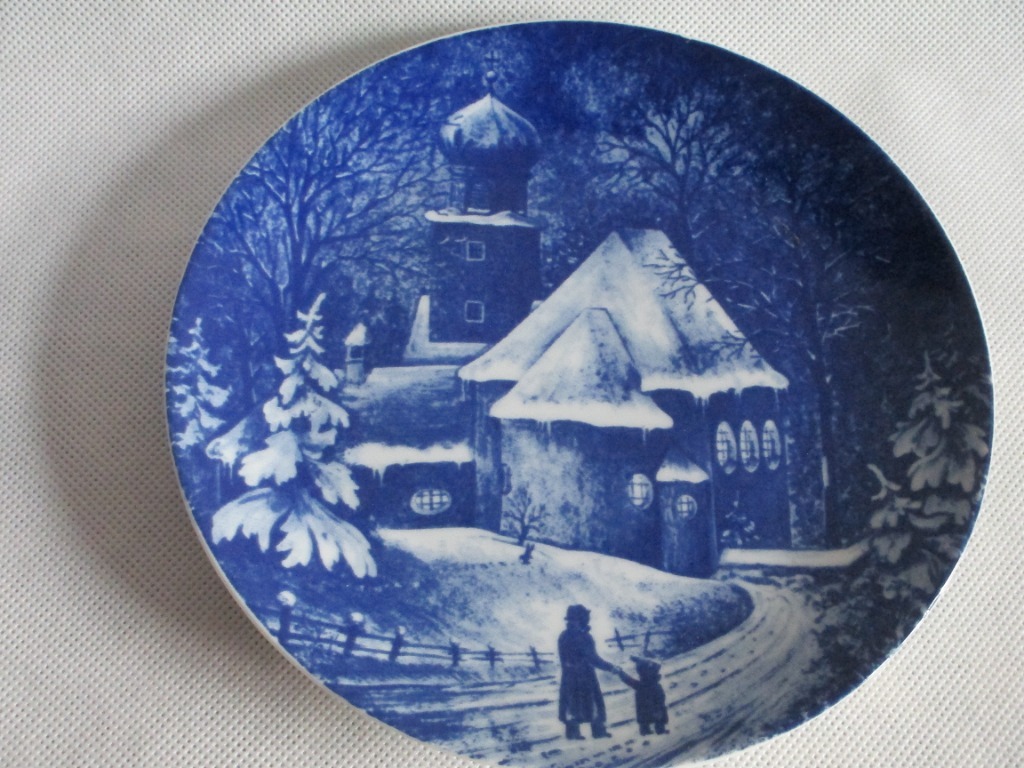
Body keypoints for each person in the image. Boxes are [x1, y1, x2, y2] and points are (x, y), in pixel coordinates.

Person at [558, 604, 615, 740]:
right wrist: (610, 667)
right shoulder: (583, 637)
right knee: (590, 703)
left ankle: (575, 734)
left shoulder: (565, 636)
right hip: (584, 676)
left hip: (571, 676)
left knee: (573, 705)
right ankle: (597, 732)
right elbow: (593, 658)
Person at [618, 656, 669, 736]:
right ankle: (658, 728)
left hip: (646, 709)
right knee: (659, 715)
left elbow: (628, 680)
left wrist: (621, 673)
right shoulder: (653, 684)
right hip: (655, 707)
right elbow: (661, 697)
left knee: (645, 716)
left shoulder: (641, 685)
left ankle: (645, 729)